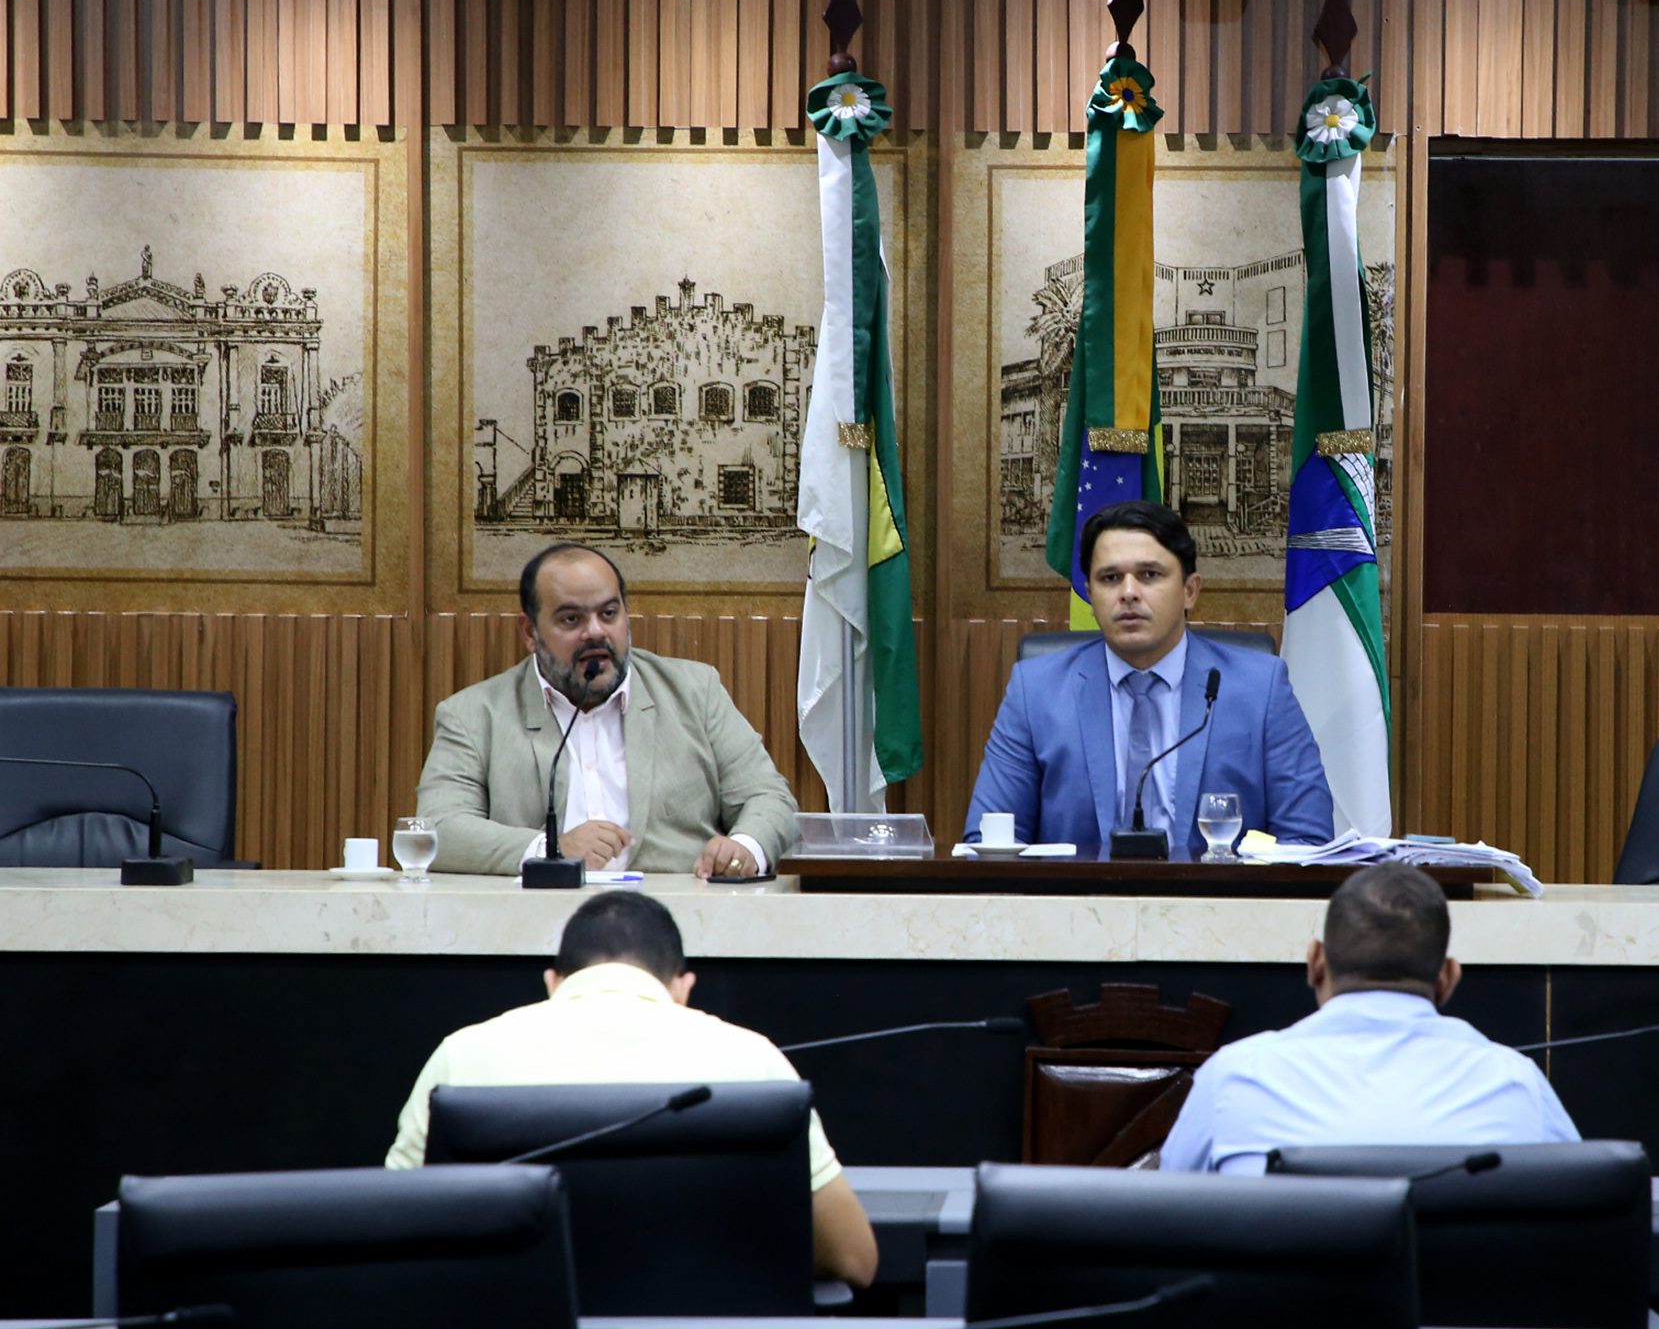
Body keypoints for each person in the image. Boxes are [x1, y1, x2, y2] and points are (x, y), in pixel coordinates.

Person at [385, 891, 878, 1287]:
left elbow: (394, 1236)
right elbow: (854, 1259)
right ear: (682, 988)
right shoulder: (754, 1058)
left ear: (553, 983)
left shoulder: (461, 1055)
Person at [965, 500, 1333, 854]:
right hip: (1078, 896)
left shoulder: (1260, 688)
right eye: (1110, 578)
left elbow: (1306, 840)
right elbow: (989, 839)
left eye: (1149, 575)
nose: (1128, 593)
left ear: (1189, 591)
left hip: (1219, 895)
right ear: (1091, 596)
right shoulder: (1036, 691)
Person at [1159, 864, 1578, 1174]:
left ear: (1315, 962)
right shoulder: (1517, 1086)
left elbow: (1169, 1229)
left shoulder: (1231, 1079)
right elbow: (1582, 1227)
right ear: (1448, 978)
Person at [417, 542, 797, 878]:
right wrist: (550, 851)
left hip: (677, 914)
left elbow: (769, 798)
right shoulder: (473, 715)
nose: (595, 632)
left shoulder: (695, 692)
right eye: (571, 619)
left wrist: (744, 847)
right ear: (530, 633)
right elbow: (438, 828)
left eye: (609, 614)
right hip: (535, 919)